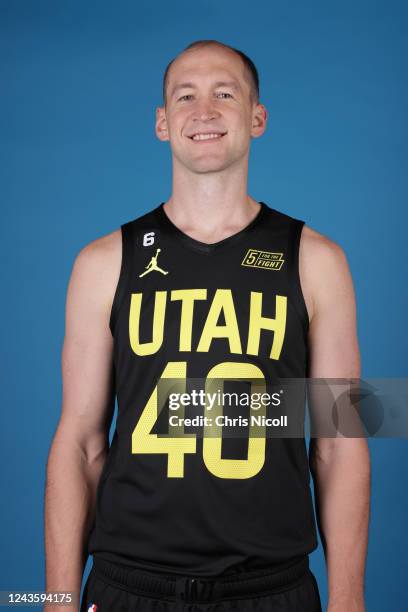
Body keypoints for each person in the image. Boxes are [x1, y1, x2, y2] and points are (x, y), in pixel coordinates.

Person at [44, 39, 370, 612]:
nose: (205, 111)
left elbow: (341, 445)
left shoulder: (318, 260)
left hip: (272, 588)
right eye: (185, 96)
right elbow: (80, 442)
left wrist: (348, 602)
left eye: (225, 93)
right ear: (163, 123)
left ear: (257, 117)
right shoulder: (102, 262)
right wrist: (57, 599)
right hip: (129, 587)